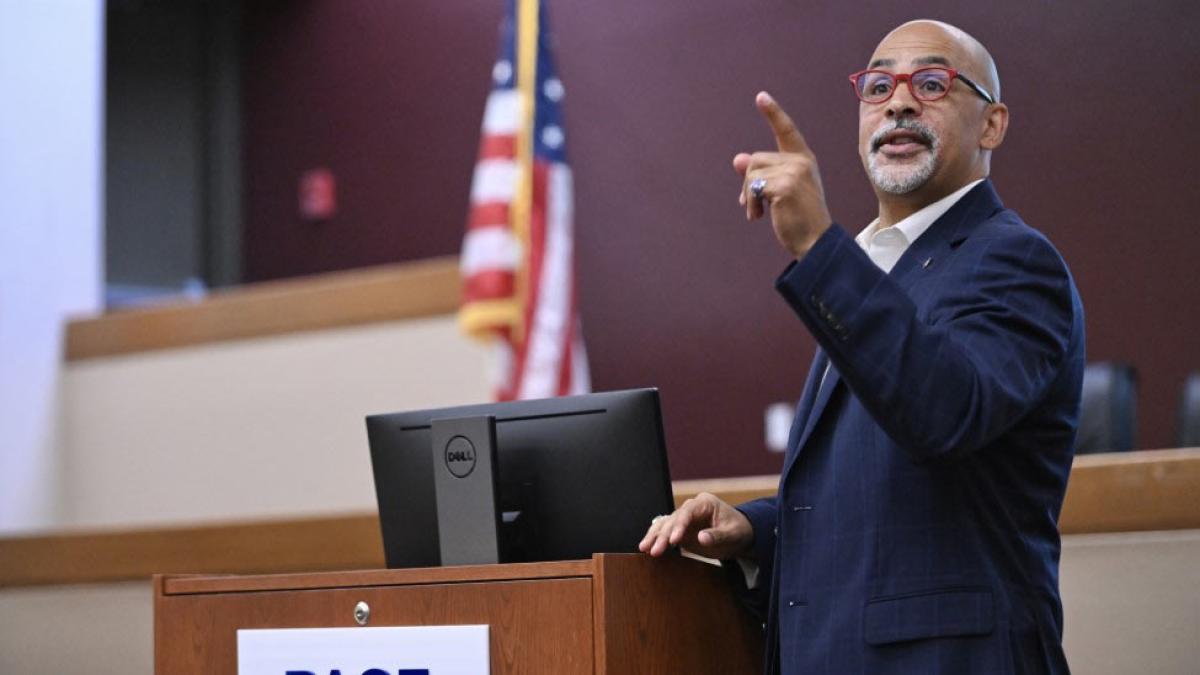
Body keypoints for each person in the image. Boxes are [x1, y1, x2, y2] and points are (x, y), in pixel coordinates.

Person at [639, 19, 1083, 675]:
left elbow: (943, 412)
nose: (900, 101)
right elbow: (880, 499)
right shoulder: (874, 269)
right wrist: (756, 530)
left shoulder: (1015, 261)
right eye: (879, 86)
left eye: (931, 82)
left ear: (992, 125)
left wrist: (819, 247)